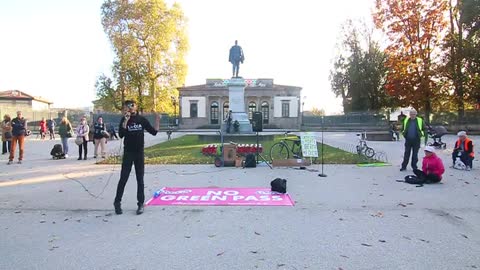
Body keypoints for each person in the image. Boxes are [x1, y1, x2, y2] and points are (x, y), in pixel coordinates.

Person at [114, 100, 158, 215]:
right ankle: (117, 202)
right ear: (125, 108)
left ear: (136, 107)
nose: (131, 107)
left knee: (140, 179)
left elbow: (154, 132)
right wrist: (125, 121)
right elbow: (121, 135)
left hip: (139, 153)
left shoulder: (141, 119)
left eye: (132, 105)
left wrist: (157, 119)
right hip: (128, 153)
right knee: (123, 178)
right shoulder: (124, 119)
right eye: (128, 106)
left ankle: (140, 204)